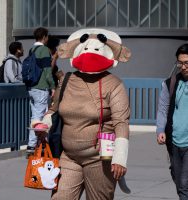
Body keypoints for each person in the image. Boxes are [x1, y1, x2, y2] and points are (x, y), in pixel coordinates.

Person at [33, 28, 132, 199]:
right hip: (69, 156)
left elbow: (121, 122)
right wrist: (44, 124)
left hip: (100, 159)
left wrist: (120, 158)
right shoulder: (66, 80)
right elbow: (54, 110)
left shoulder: (114, 85)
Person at [156, 43, 188, 199]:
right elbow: (163, 109)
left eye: (187, 63)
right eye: (180, 63)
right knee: (177, 177)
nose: (183, 67)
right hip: (174, 140)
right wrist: (160, 130)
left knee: (184, 183)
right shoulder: (170, 83)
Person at [26, 27, 56, 155]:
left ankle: (33, 144)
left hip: (31, 87)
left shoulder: (31, 49)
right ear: (44, 36)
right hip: (41, 87)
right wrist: (52, 86)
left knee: (34, 115)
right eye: (47, 36)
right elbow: (47, 71)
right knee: (41, 116)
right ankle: (34, 145)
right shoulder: (43, 50)